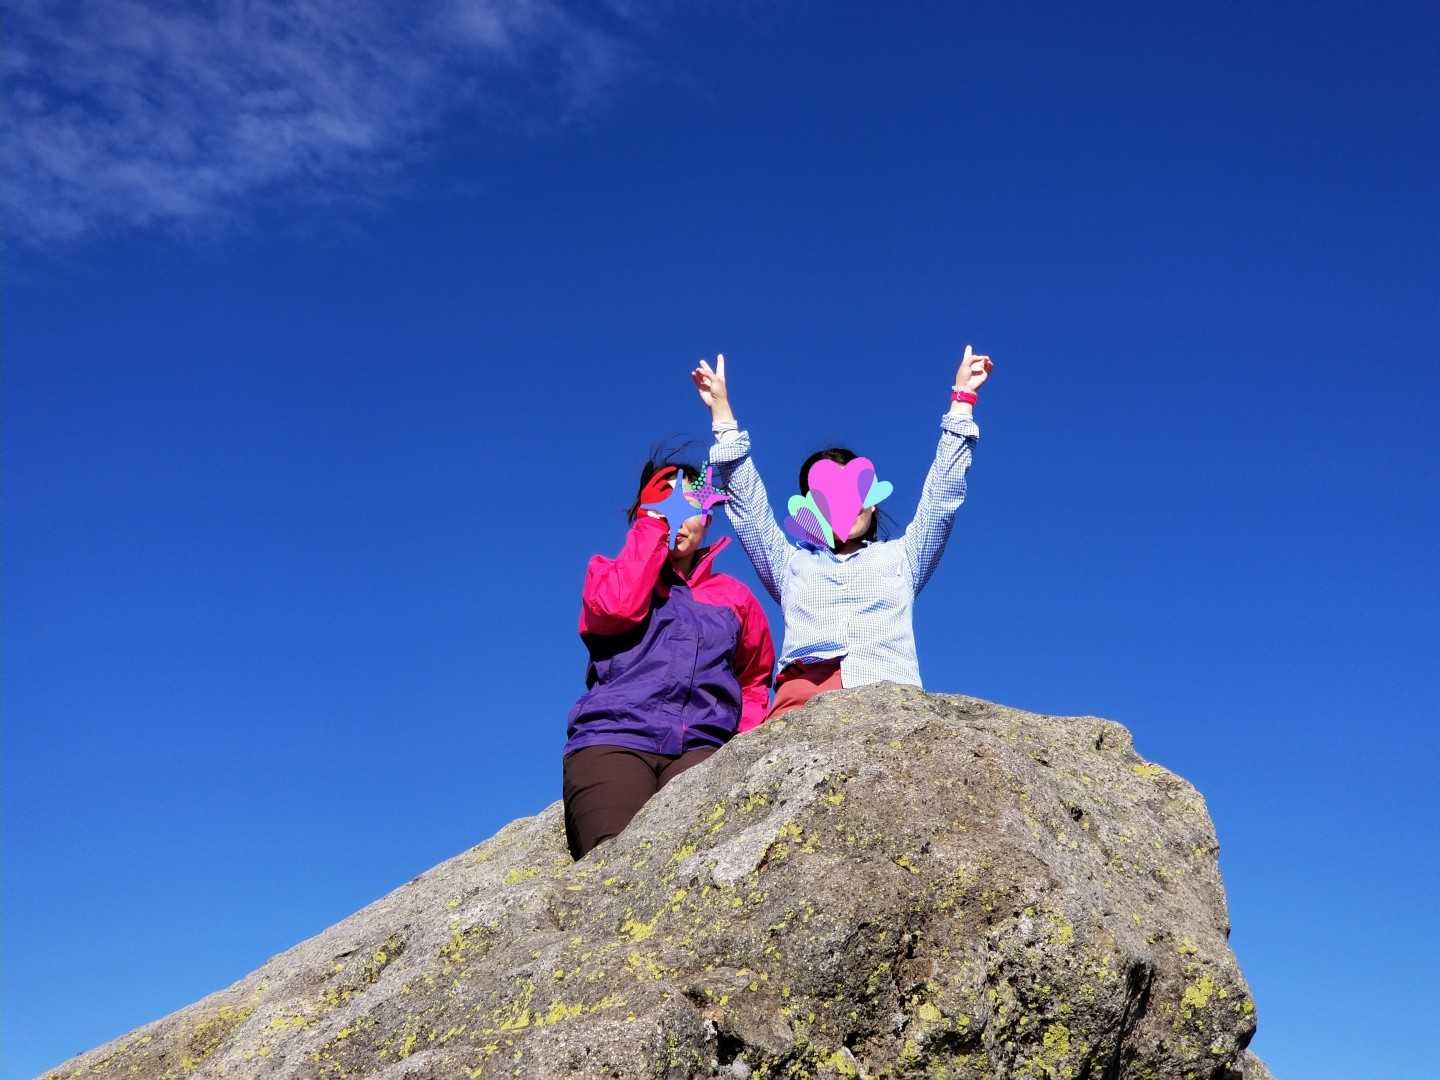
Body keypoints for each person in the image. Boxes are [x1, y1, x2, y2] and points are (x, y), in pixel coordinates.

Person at [691, 348, 992, 720]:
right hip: (800, 707)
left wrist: (962, 402)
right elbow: (748, 506)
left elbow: (941, 497)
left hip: (889, 701)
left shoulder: (904, 557)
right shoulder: (789, 564)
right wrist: (722, 416)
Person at [562, 458, 775, 860]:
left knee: (698, 864)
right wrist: (653, 528)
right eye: (662, 501)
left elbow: (754, 677)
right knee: (614, 867)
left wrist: (741, 739)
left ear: (707, 520)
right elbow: (616, 607)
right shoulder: (608, 572)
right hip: (615, 738)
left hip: (702, 747)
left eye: (689, 504)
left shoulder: (735, 597)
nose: (677, 514)